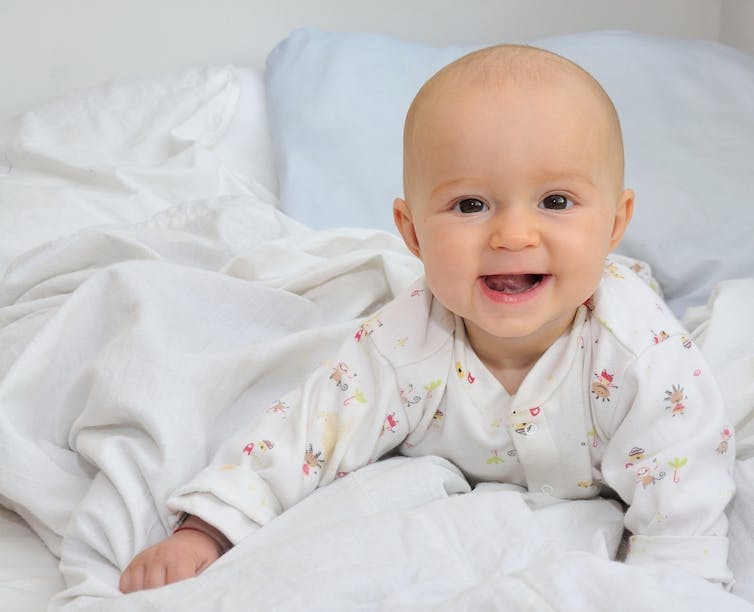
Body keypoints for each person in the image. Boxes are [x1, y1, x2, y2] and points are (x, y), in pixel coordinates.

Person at [119, 44, 735, 593]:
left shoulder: (643, 358)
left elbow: (684, 499)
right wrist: (207, 530)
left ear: (615, 223)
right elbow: (307, 433)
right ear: (412, 233)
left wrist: (668, 588)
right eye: (470, 205)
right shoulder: (405, 343)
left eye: (555, 201)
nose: (513, 235)